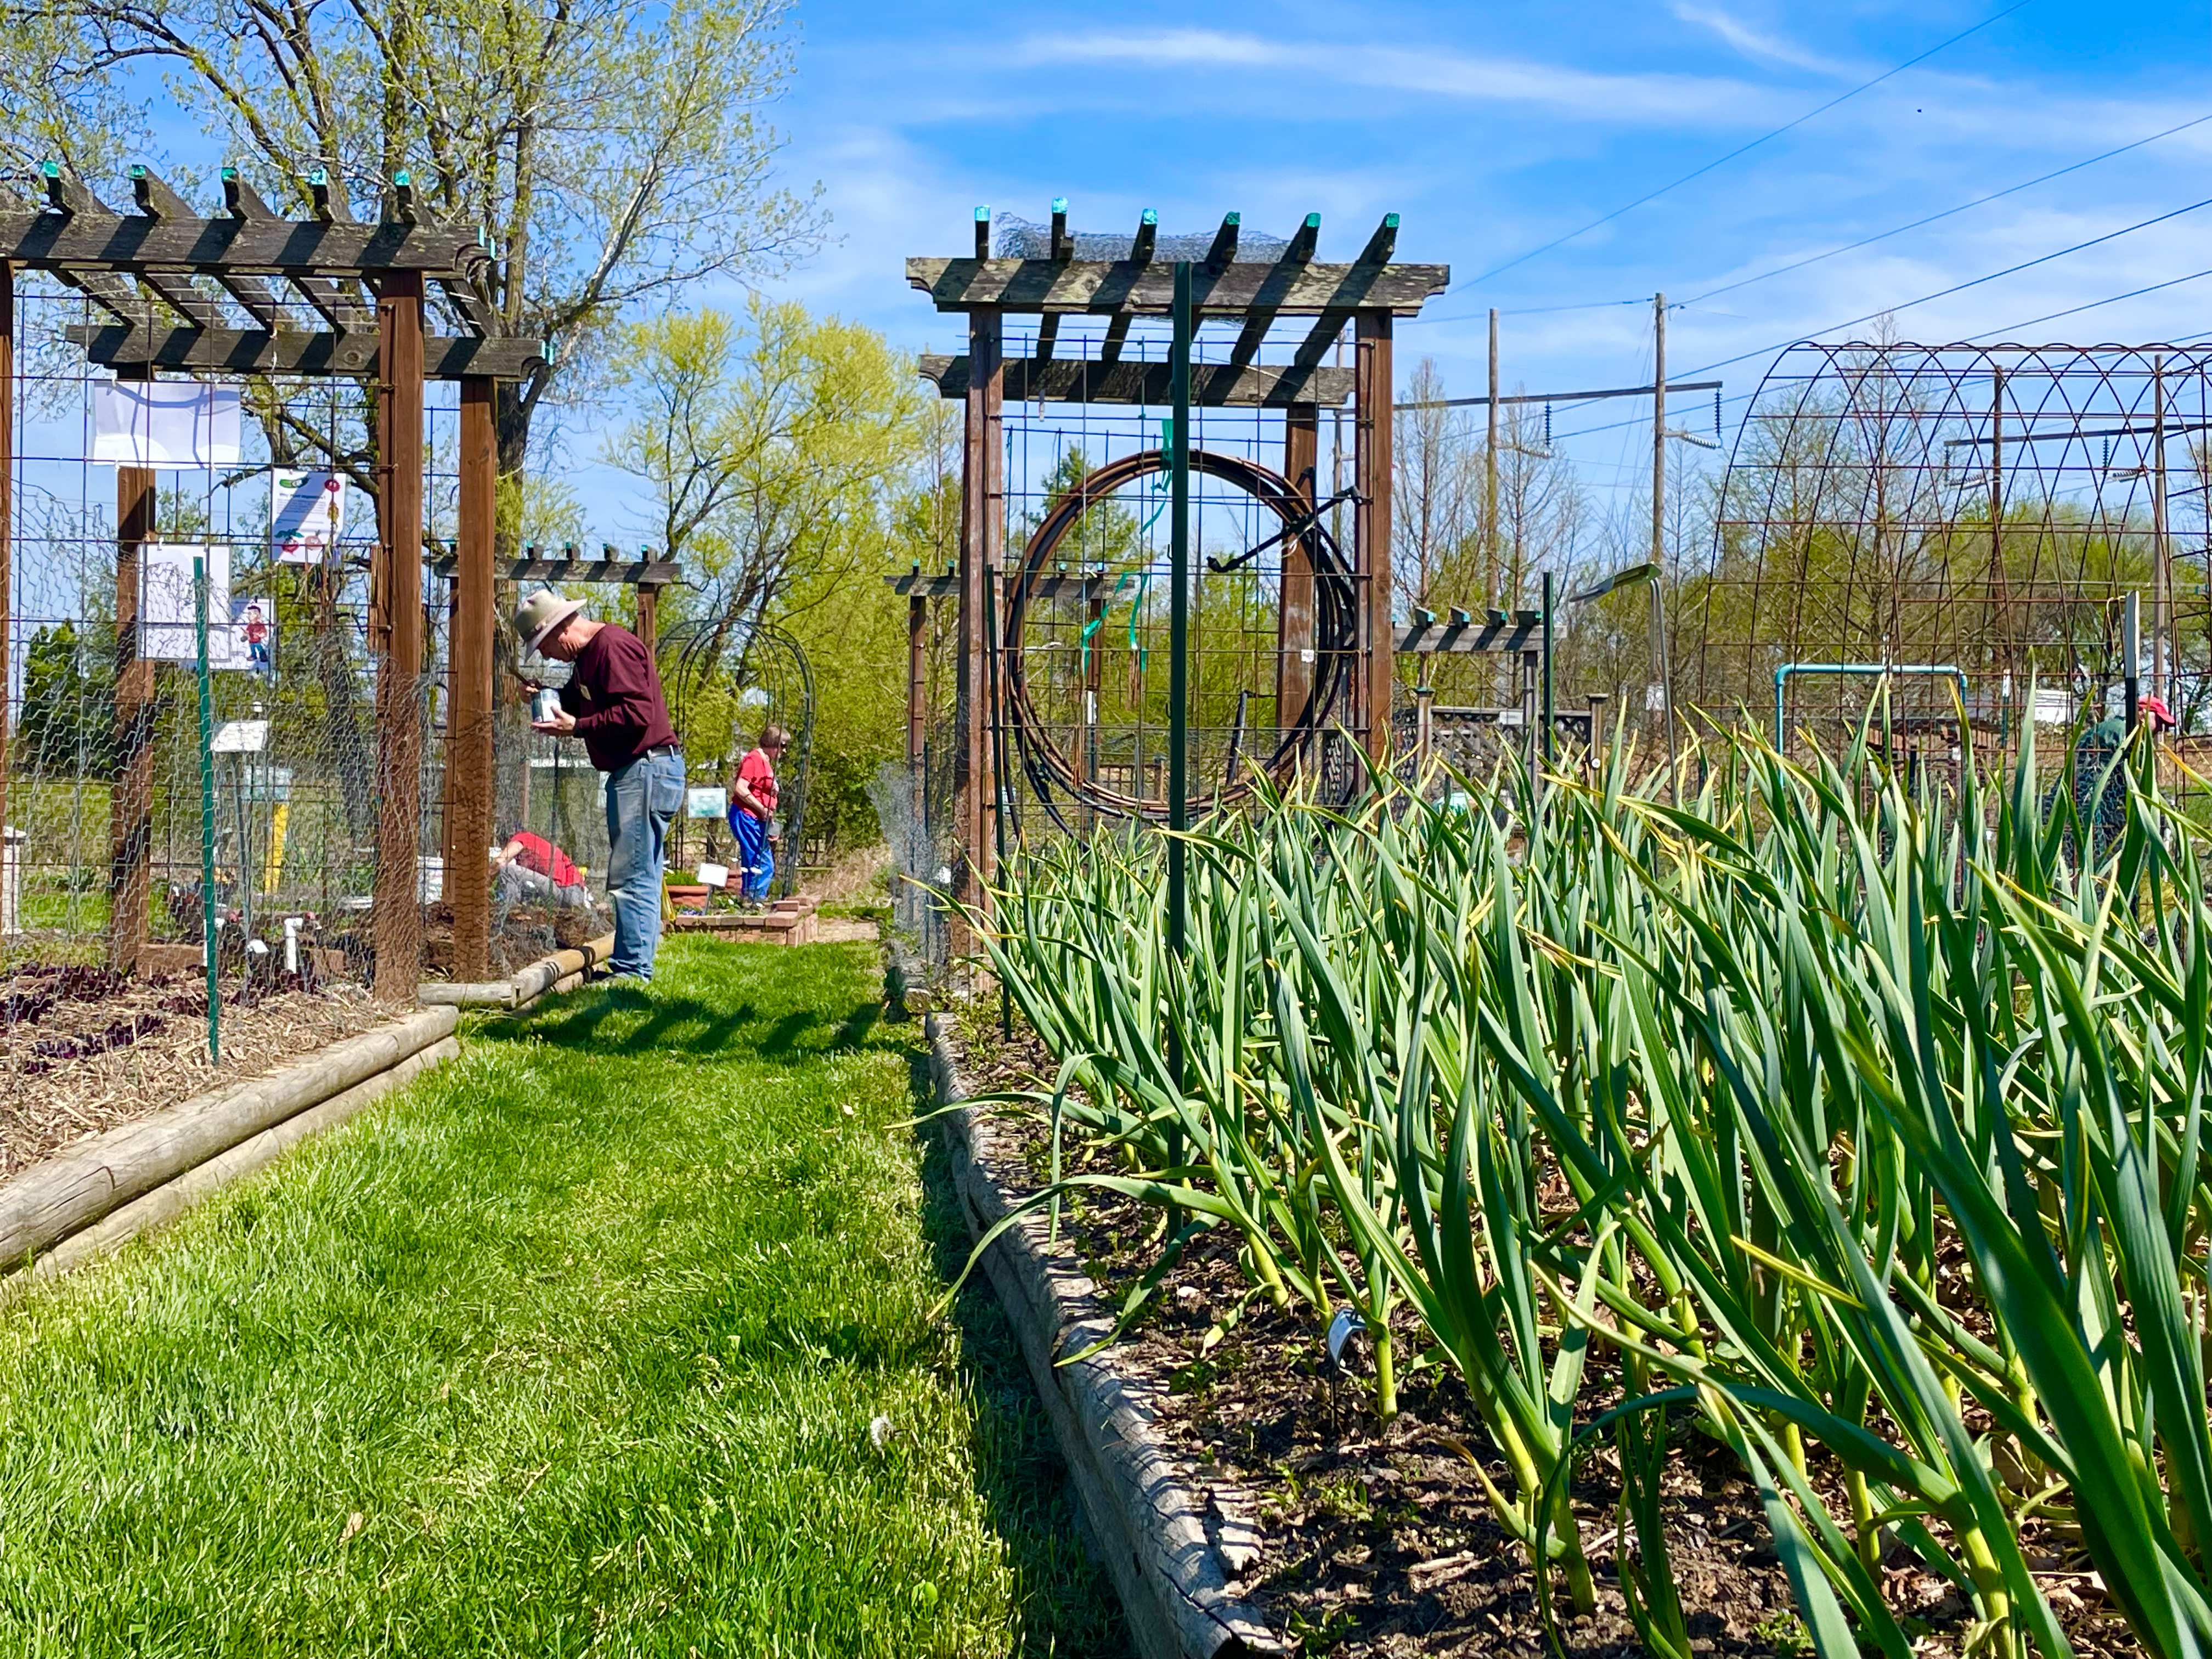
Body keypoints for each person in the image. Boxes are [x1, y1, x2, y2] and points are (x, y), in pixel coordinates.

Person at [515, 591, 682, 981]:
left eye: (546, 646)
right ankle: (635, 966)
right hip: (643, 770)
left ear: (563, 628)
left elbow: (636, 713)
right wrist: (544, 696)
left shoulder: (611, 647)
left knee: (632, 877)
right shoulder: (588, 659)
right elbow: (580, 702)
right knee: (643, 872)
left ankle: (632, 974)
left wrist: (579, 727)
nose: (548, 656)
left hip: (645, 769)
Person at [727, 725, 788, 902]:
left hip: (757, 820)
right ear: (771, 743)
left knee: (752, 861)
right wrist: (762, 808)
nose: (784, 751)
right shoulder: (753, 760)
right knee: (764, 863)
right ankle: (756, 901)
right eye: (782, 745)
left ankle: (748, 899)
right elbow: (740, 788)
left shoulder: (765, 761)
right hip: (746, 816)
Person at [491, 824, 589, 910]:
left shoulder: (521, 838)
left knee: (508, 871)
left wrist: (484, 882)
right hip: (576, 894)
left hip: (565, 892)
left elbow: (500, 862)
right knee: (519, 880)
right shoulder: (534, 844)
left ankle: (508, 911)